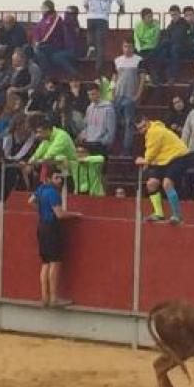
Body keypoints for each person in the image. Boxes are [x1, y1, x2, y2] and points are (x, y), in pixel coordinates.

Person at [28, 170, 81, 306]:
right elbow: (59, 214)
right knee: (54, 262)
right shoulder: (53, 193)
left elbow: (30, 201)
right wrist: (75, 214)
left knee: (45, 263)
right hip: (51, 228)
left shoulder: (41, 189)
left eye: (60, 178)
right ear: (50, 178)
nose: (60, 181)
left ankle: (45, 297)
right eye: (57, 178)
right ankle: (53, 298)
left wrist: (41, 209)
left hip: (41, 226)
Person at [134, 116, 194, 224]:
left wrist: (142, 161)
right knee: (151, 184)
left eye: (144, 126)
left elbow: (149, 156)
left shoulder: (154, 131)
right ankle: (159, 214)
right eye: (140, 129)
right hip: (164, 159)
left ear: (148, 122)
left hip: (178, 156)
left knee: (167, 183)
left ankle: (177, 215)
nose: (143, 130)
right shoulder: (151, 130)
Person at [83, 0, 126, 77]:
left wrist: (88, 8)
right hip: (103, 18)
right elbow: (120, 0)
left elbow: (85, 0)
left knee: (90, 33)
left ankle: (91, 46)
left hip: (91, 17)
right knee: (101, 45)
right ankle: (99, 69)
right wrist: (121, 8)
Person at [78, 83, 116, 156]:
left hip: (100, 145)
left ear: (98, 93)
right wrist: (83, 136)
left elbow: (111, 131)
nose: (91, 97)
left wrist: (102, 143)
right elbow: (86, 126)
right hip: (88, 143)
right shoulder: (89, 108)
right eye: (89, 94)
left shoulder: (108, 108)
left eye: (93, 94)